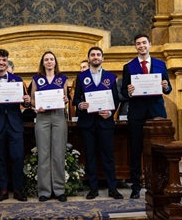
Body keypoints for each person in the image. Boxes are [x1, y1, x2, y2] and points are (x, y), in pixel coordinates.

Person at [121, 34, 172, 199]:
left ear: (149, 44)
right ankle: (136, 186)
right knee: (136, 150)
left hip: (156, 113)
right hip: (136, 113)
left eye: (144, 43)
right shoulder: (129, 67)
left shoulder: (160, 64)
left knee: (160, 149)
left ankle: (161, 183)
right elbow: (122, 92)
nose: (141, 46)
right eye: (138, 44)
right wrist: (128, 91)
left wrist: (165, 86)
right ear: (135, 47)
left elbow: (168, 88)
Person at [73, 46, 123, 200]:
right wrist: (80, 105)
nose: (95, 57)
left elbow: (115, 98)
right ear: (89, 58)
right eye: (92, 55)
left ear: (102, 58)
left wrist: (110, 112)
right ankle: (93, 188)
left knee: (108, 155)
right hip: (87, 123)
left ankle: (112, 188)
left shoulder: (111, 77)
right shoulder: (81, 77)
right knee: (90, 155)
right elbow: (76, 99)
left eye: (98, 55)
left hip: (105, 121)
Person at [0, 49, 30, 202]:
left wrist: (27, 101)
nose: (1, 62)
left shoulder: (18, 80)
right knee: (0, 159)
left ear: (7, 61)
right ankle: (3, 190)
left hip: (15, 124)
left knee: (18, 157)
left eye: (4, 59)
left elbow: (24, 102)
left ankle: (17, 190)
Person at [30, 51, 69, 202]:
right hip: (42, 117)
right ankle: (44, 191)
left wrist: (65, 99)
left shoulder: (62, 79)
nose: (49, 62)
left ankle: (59, 190)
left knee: (58, 153)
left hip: (58, 116)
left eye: (51, 59)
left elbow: (64, 98)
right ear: (43, 63)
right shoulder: (36, 79)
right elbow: (33, 100)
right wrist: (37, 106)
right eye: (46, 59)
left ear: (55, 62)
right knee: (44, 154)